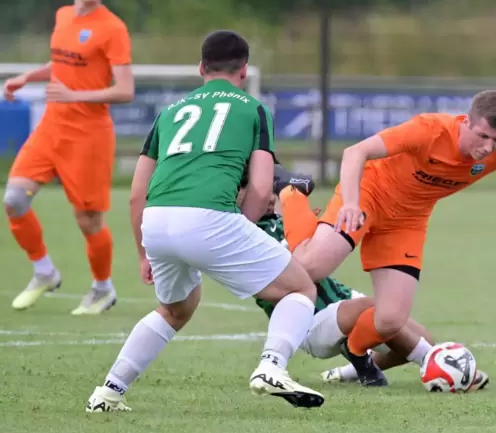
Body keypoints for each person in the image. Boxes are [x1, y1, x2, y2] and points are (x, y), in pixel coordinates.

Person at [273, 89, 496, 385]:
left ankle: (357, 354)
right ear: (465, 122)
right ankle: (292, 192)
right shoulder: (429, 129)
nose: (488, 147)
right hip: (369, 196)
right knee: (312, 267)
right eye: (482, 136)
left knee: (390, 320)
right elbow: (356, 152)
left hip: (407, 222)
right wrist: (351, 203)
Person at [85, 30, 324, 413]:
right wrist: (241, 229)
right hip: (208, 217)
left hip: (157, 221)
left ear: (201, 68)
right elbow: (262, 189)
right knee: (300, 290)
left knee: (177, 309)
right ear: (244, 71)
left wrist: (144, 253)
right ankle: (272, 366)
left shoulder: (170, 112)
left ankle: (109, 392)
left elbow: (136, 193)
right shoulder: (253, 109)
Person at [2, 0, 134, 315]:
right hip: (52, 128)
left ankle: (102, 288)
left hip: (89, 135)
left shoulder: (113, 29)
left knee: (88, 220)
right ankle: (44, 271)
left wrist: (75, 94)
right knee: (13, 200)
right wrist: (28, 77)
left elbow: (125, 89)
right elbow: (61, 62)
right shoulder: (63, 16)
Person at [250, 193, 490, 390]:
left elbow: (312, 249)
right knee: (381, 309)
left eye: (272, 188)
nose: (269, 196)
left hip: (341, 300)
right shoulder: (242, 237)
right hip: (309, 321)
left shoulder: (276, 222)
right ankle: (445, 367)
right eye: (251, 187)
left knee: (417, 336)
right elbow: (297, 267)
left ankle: (347, 371)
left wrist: (305, 226)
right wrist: (295, 206)